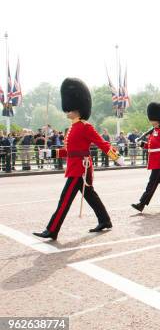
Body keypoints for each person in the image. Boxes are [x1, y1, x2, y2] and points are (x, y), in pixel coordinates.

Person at [33, 78, 122, 240]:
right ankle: (105, 220)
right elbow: (68, 152)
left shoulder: (85, 127)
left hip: (81, 168)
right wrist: (49, 154)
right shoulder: (73, 128)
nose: (67, 111)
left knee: (65, 199)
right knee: (90, 196)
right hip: (75, 167)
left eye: (70, 109)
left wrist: (116, 157)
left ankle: (52, 229)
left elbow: (102, 144)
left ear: (78, 109)